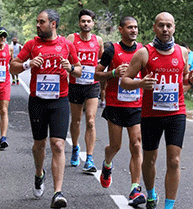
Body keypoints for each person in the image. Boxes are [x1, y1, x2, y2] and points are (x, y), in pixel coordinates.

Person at [10, 9, 82, 208]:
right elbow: (12, 67)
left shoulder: (67, 45)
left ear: (53, 24)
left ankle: (58, 193)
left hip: (59, 101)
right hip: (38, 101)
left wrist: (71, 69)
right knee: (39, 146)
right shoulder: (32, 44)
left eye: (41, 22)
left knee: (58, 145)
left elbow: (79, 70)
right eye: (37, 22)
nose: (37, 25)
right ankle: (39, 173)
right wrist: (27, 64)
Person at [121, 12, 193, 209]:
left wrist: (189, 81)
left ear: (174, 28)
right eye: (161, 25)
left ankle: (169, 206)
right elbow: (125, 81)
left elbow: (185, 79)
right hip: (151, 114)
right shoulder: (144, 53)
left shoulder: (182, 52)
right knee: (150, 159)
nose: (165, 29)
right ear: (154, 27)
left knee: (175, 161)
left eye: (169, 25)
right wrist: (141, 83)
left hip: (176, 113)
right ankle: (151, 193)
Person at [94, 16, 146, 208]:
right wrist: (113, 73)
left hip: (136, 104)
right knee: (115, 146)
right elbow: (96, 74)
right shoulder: (111, 50)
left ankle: (134, 189)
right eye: (130, 27)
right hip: (116, 104)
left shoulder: (142, 50)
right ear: (121, 29)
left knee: (136, 144)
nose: (133, 30)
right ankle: (107, 163)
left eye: (136, 27)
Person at [66, 9, 104, 173]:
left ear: (93, 24)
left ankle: (89, 158)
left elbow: (102, 59)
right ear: (79, 23)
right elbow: (65, 56)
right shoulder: (71, 38)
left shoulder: (98, 40)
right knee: (76, 121)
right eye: (83, 21)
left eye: (89, 21)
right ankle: (75, 148)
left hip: (92, 84)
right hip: (75, 83)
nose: (86, 24)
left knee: (90, 120)